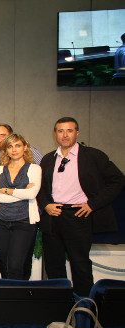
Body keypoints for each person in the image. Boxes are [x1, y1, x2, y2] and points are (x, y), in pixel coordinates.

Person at [37, 117, 125, 296]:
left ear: (77, 133)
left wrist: (92, 204)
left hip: (78, 216)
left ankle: (85, 309)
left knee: (80, 265)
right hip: (53, 217)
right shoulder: (48, 159)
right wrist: (46, 205)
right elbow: (40, 188)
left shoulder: (93, 156)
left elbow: (117, 180)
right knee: (53, 266)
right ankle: (59, 308)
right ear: (55, 134)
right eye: (61, 131)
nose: (65, 135)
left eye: (69, 131)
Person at [0, 123, 43, 280]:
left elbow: (32, 194)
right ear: (6, 150)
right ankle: (9, 296)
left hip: (24, 222)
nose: (14, 149)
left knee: (16, 265)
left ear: (25, 147)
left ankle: (18, 299)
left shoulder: (34, 169)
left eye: (18, 146)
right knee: (4, 263)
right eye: (10, 147)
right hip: (0, 221)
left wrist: (7, 190)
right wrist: (22, 192)